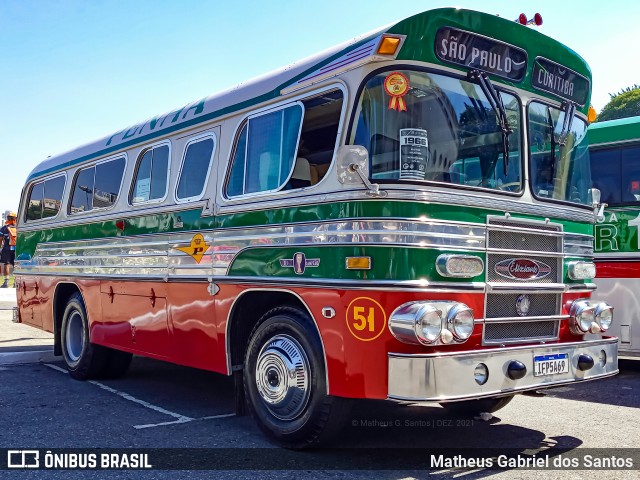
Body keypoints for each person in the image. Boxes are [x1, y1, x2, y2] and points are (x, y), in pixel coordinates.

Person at [0, 212, 17, 288]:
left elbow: (0, 239)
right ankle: (15, 283)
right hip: (16, 249)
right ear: (15, 218)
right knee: (15, 265)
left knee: (6, 264)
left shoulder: (3, 228)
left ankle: (6, 282)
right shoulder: (18, 227)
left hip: (6, 248)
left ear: (7, 218)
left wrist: (0, 247)